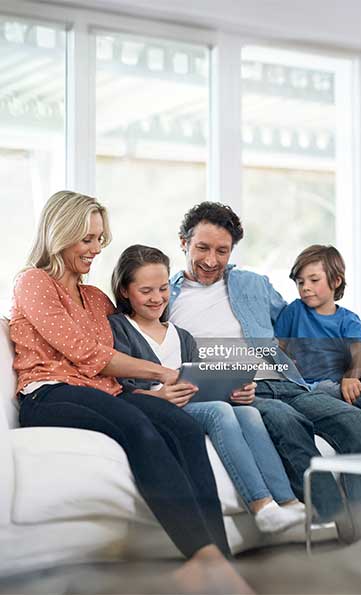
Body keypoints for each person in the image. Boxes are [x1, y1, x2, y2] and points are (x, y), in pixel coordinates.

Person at [9, 190, 254, 595]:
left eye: (100, 239)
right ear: (59, 233)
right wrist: (163, 372)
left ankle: (219, 562)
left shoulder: (96, 298)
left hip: (106, 394)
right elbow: (87, 352)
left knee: (183, 428)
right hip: (50, 393)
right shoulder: (33, 282)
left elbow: (122, 353)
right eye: (86, 239)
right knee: (138, 426)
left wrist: (156, 392)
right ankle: (203, 558)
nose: (95, 249)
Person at [169, 201, 361, 542]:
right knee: (288, 424)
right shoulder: (164, 296)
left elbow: (299, 315)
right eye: (202, 248)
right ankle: (338, 523)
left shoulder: (251, 283)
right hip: (241, 393)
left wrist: (351, 324)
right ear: (183, 242)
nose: (211, 260)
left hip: (286, 381)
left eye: (222, 250)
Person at [109, 244, 305, 535]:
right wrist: (158, 396)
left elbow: (200, 380)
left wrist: (238, 392)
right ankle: (262, 507)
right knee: (219, 411)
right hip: (157, 406)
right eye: (146, 290)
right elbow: (117, 389)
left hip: (193, 403)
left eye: (163, 289)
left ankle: (288, 502)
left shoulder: (182, 336)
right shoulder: (118, 328)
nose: (157, 298)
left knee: (249, 413)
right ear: (125, 291)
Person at [276, 244, 361, 418]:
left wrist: (351, 376)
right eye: (300, 282)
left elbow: (360, 352)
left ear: (336, 281)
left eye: (314, 280)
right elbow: (277, 346)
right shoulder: (294, 311)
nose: (305, 287)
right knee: (323, 390)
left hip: (356, 382)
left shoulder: (349, 319)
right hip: (327, 389)